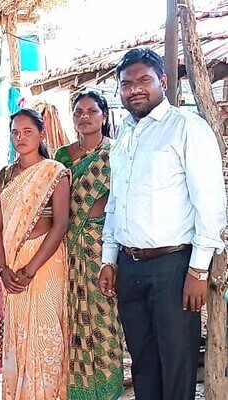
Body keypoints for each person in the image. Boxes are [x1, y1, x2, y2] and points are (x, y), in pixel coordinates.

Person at [99, 48, 226, 400]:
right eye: (127, 84)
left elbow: (210, 204)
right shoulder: (125, 135)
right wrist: (110, 258)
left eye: (144, 80)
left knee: (177, 366)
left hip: (173, 267)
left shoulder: (186, 128)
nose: (135, 89)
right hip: (130, 267)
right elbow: (116, 202)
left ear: (163, 82)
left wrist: (197, 270)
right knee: (143, 364)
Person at [0, 108, 70, 400]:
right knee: (19, 335)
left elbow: (60, 225)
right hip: (12, 264)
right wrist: (3, 269)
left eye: (27, 132)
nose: (20, 138)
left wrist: (29, 270)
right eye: (15, 133)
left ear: (41, 134)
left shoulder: (54, 172)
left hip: (46, 262)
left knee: (46, 334)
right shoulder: (5, 175)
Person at [55, 92, 124, 400]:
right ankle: (78, 391)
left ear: (104, 116)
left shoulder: (117, 152)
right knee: (72, 317)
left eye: (91, 111)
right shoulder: (63, 156)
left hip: (104, 246)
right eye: (78, 112)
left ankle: (108, 390)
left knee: (105, 316)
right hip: (68, 246)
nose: (84, 116)